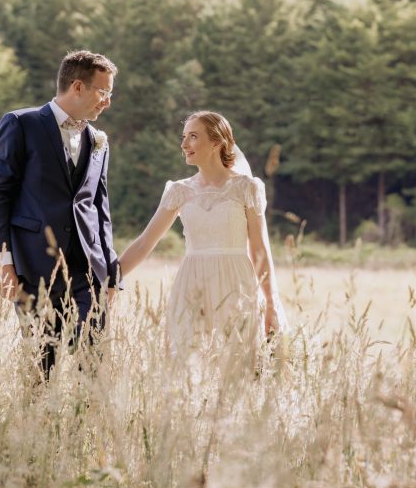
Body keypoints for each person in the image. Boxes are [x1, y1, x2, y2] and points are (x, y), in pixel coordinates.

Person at [0, 50, 120, 379]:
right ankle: (41, 427)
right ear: (78, 87)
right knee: (42, 367)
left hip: (88, 273)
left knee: (94, 365)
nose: (107, 102)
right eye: (104, 92)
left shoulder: (97, 140)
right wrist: (3, 261)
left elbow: (99, 207)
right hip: (35, 267)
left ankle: (89, 428)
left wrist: (112, 271)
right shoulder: (22, 123)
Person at [118, 111, 288, 357]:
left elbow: (260, 250)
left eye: (193, 136)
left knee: (237, 368)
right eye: (184, 136)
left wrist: (271, 302)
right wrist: (111, 277)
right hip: (191, 285)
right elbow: (145, 242)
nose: (184, 144)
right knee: (188, 367)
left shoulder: (247, 188)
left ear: (217, 142)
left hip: (237, 284)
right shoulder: (179, 191)